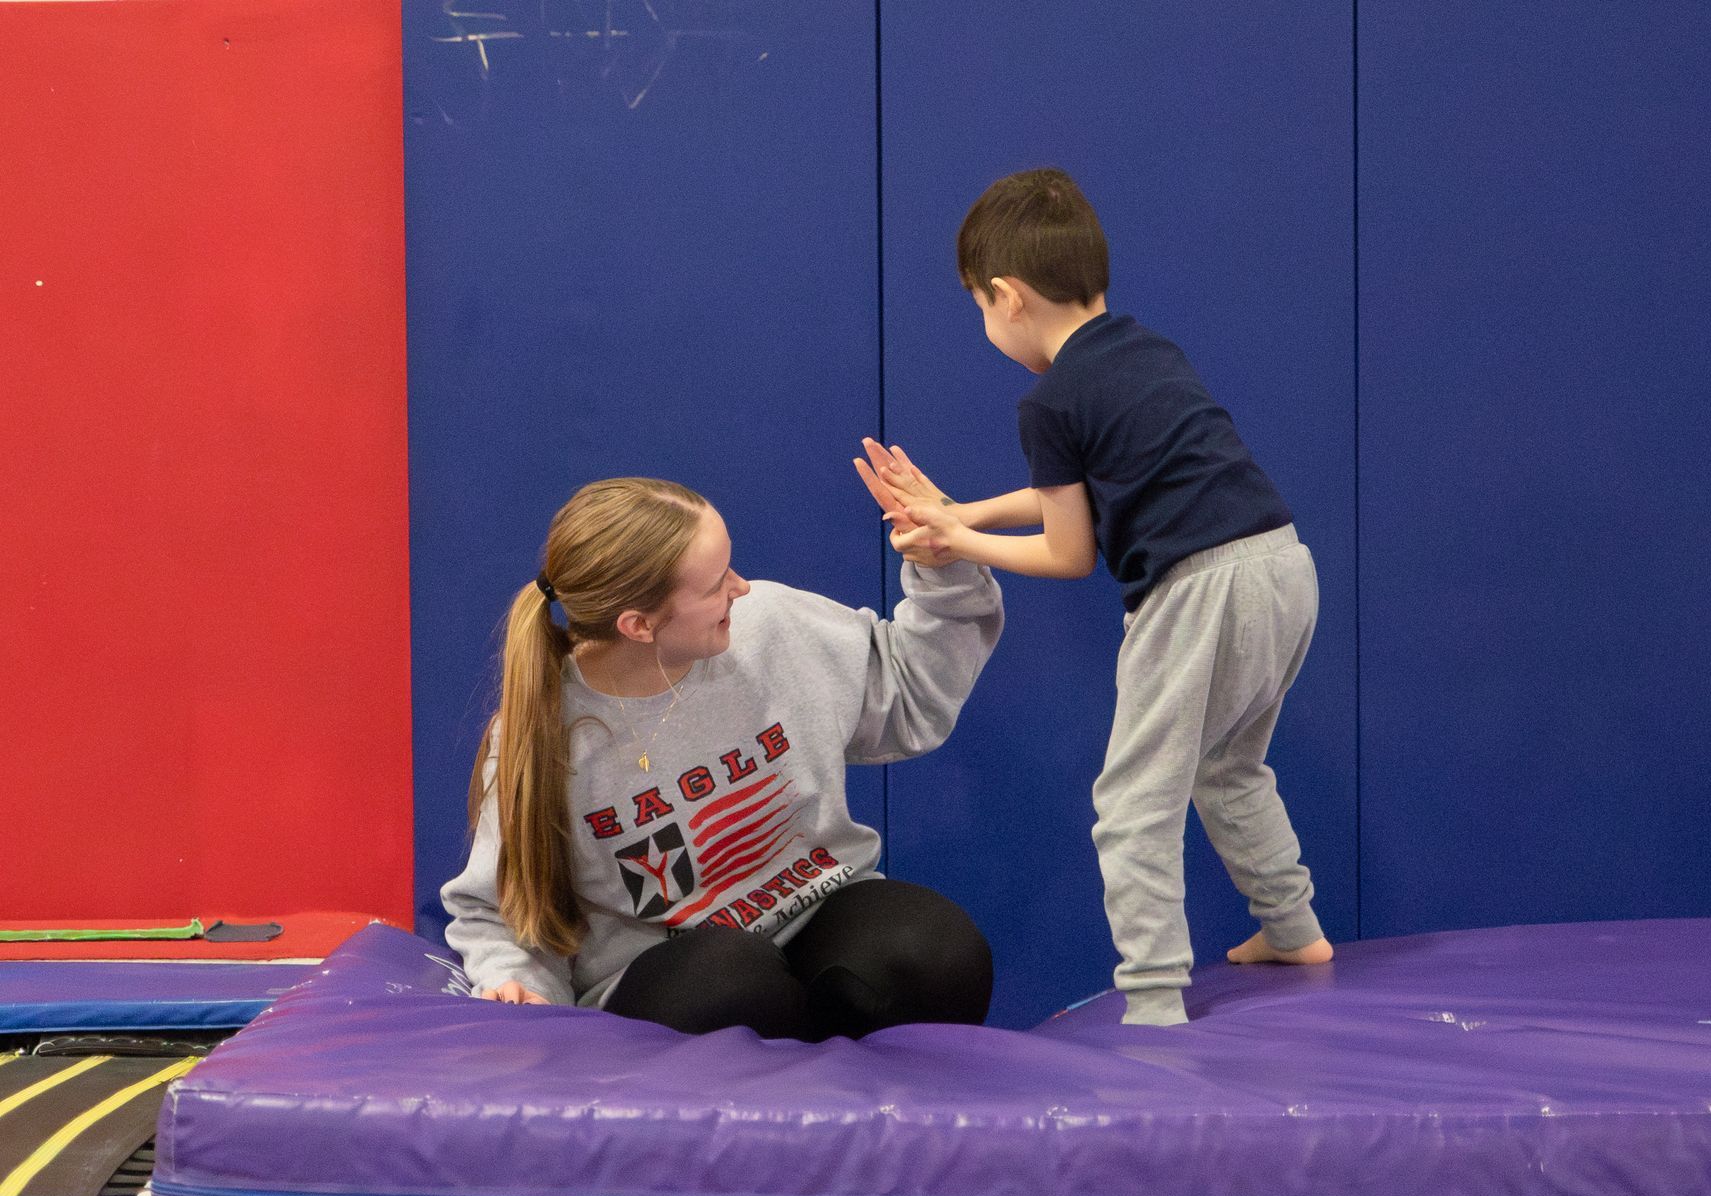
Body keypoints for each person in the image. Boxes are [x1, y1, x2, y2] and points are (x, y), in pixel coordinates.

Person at [859, 167, 1330, 1027]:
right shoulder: (1143, 350)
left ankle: (1152, 998)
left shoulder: (1049, 401)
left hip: (1198, 589)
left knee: (1131, 803)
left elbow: (1071, 550)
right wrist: (960, 511)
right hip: (1281, 565)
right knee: (1228, 768)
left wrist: (956, 542)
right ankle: (1293, 928)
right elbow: (1072, 493)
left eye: (976, 308)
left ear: (1006, 297)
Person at [442, 477, 1002, 1041]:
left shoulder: (769, 626)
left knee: (935, 954)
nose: (740, 588)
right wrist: (518, 981)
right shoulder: (544, 735)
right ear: (638, 626)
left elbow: (907, 693)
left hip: (817, 916)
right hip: (683, 979)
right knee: (731, 983)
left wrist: (944, 569)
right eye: (715, 585)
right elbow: (501, 910)